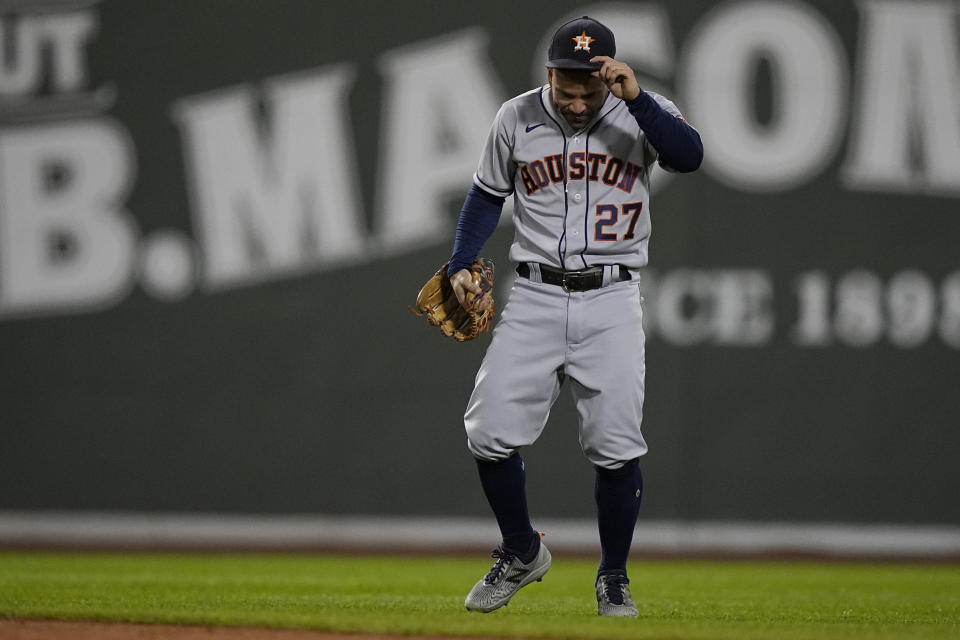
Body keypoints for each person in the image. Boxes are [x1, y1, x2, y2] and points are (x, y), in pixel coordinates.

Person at [447, 16, 703, 617]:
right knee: (486, 432)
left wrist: (636, 100)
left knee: (616, 446)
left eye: (590, 87)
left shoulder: (641, 110)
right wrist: (461, 259)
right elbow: (487, 194)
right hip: (535, 294)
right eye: (568, 86)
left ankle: (613, 575)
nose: (579, 99)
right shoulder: (516, 117)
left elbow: (689, 156)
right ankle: (520, 551)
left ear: (609, 74)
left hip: (613, 296)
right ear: (550, 73)